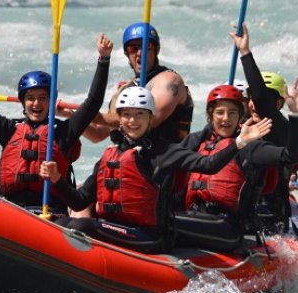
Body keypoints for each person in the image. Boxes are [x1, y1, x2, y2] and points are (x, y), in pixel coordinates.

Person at [41, 86, 272, 253]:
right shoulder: (110, 155)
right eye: (127, 115)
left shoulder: (165, 152)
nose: (133, 121)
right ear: (119, 120)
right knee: (62, 223)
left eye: (140, 114)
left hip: (150, 237)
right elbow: (80, 201)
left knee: (81, 225)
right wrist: (57, 180)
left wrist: (239, 142)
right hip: (118, 227)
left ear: (150, 119)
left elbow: (208, 165)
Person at [0, 33, 113, 213]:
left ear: (52, 101)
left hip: (50, 212)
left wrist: (103, 59)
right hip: (11, 210)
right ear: (23, 102)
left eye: (43, 98)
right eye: (31, 98)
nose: (36, 103)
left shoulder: (63, 132)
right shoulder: (9, 129)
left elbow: (92, 103)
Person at [173, 82, 298, 251]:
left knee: (165, 222)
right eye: (220, 112)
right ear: (211, 115)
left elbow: (292, 155)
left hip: (227, 226)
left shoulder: (251, 147)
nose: (226, 118)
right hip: (194, 215)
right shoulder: (198, 141)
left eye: (232, 113)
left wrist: (295, 115)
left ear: (240, 117)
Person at [230, 24, 298, 228]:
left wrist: (245, 53)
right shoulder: (241, 125)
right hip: (239, 208)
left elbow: (260, 98)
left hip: (269, 216)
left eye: (261, 100)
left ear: (277, 104)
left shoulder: (281, 127)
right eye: (249, 98)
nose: (253, 104)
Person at [81, 22, 194, 145]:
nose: (140, 53)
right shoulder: (124, 90)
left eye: (147, 46)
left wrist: (94, 116)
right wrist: (73, 116)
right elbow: (98, 134)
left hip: (166, 159)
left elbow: (151, 119)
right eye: (133, 48)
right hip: (129, 160)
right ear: (126, 54)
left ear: (157, 49)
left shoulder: (169, 81)